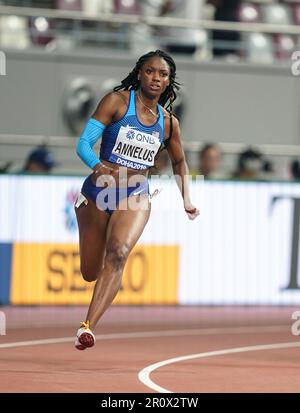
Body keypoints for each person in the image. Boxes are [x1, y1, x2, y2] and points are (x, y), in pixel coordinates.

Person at [74, 49, 199, 350]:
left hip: (135, 193)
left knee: (118, 253)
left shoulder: (169, 123)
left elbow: (180, 162)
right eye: (151, 72)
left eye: (163, 74)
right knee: (91, 271)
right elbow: (83, 143)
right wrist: (98, 166)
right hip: (98, 192)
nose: (156, 78)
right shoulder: (117, 101)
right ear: (140, 73)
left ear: (170, 81)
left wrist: (187, 199)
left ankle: (87, 327)